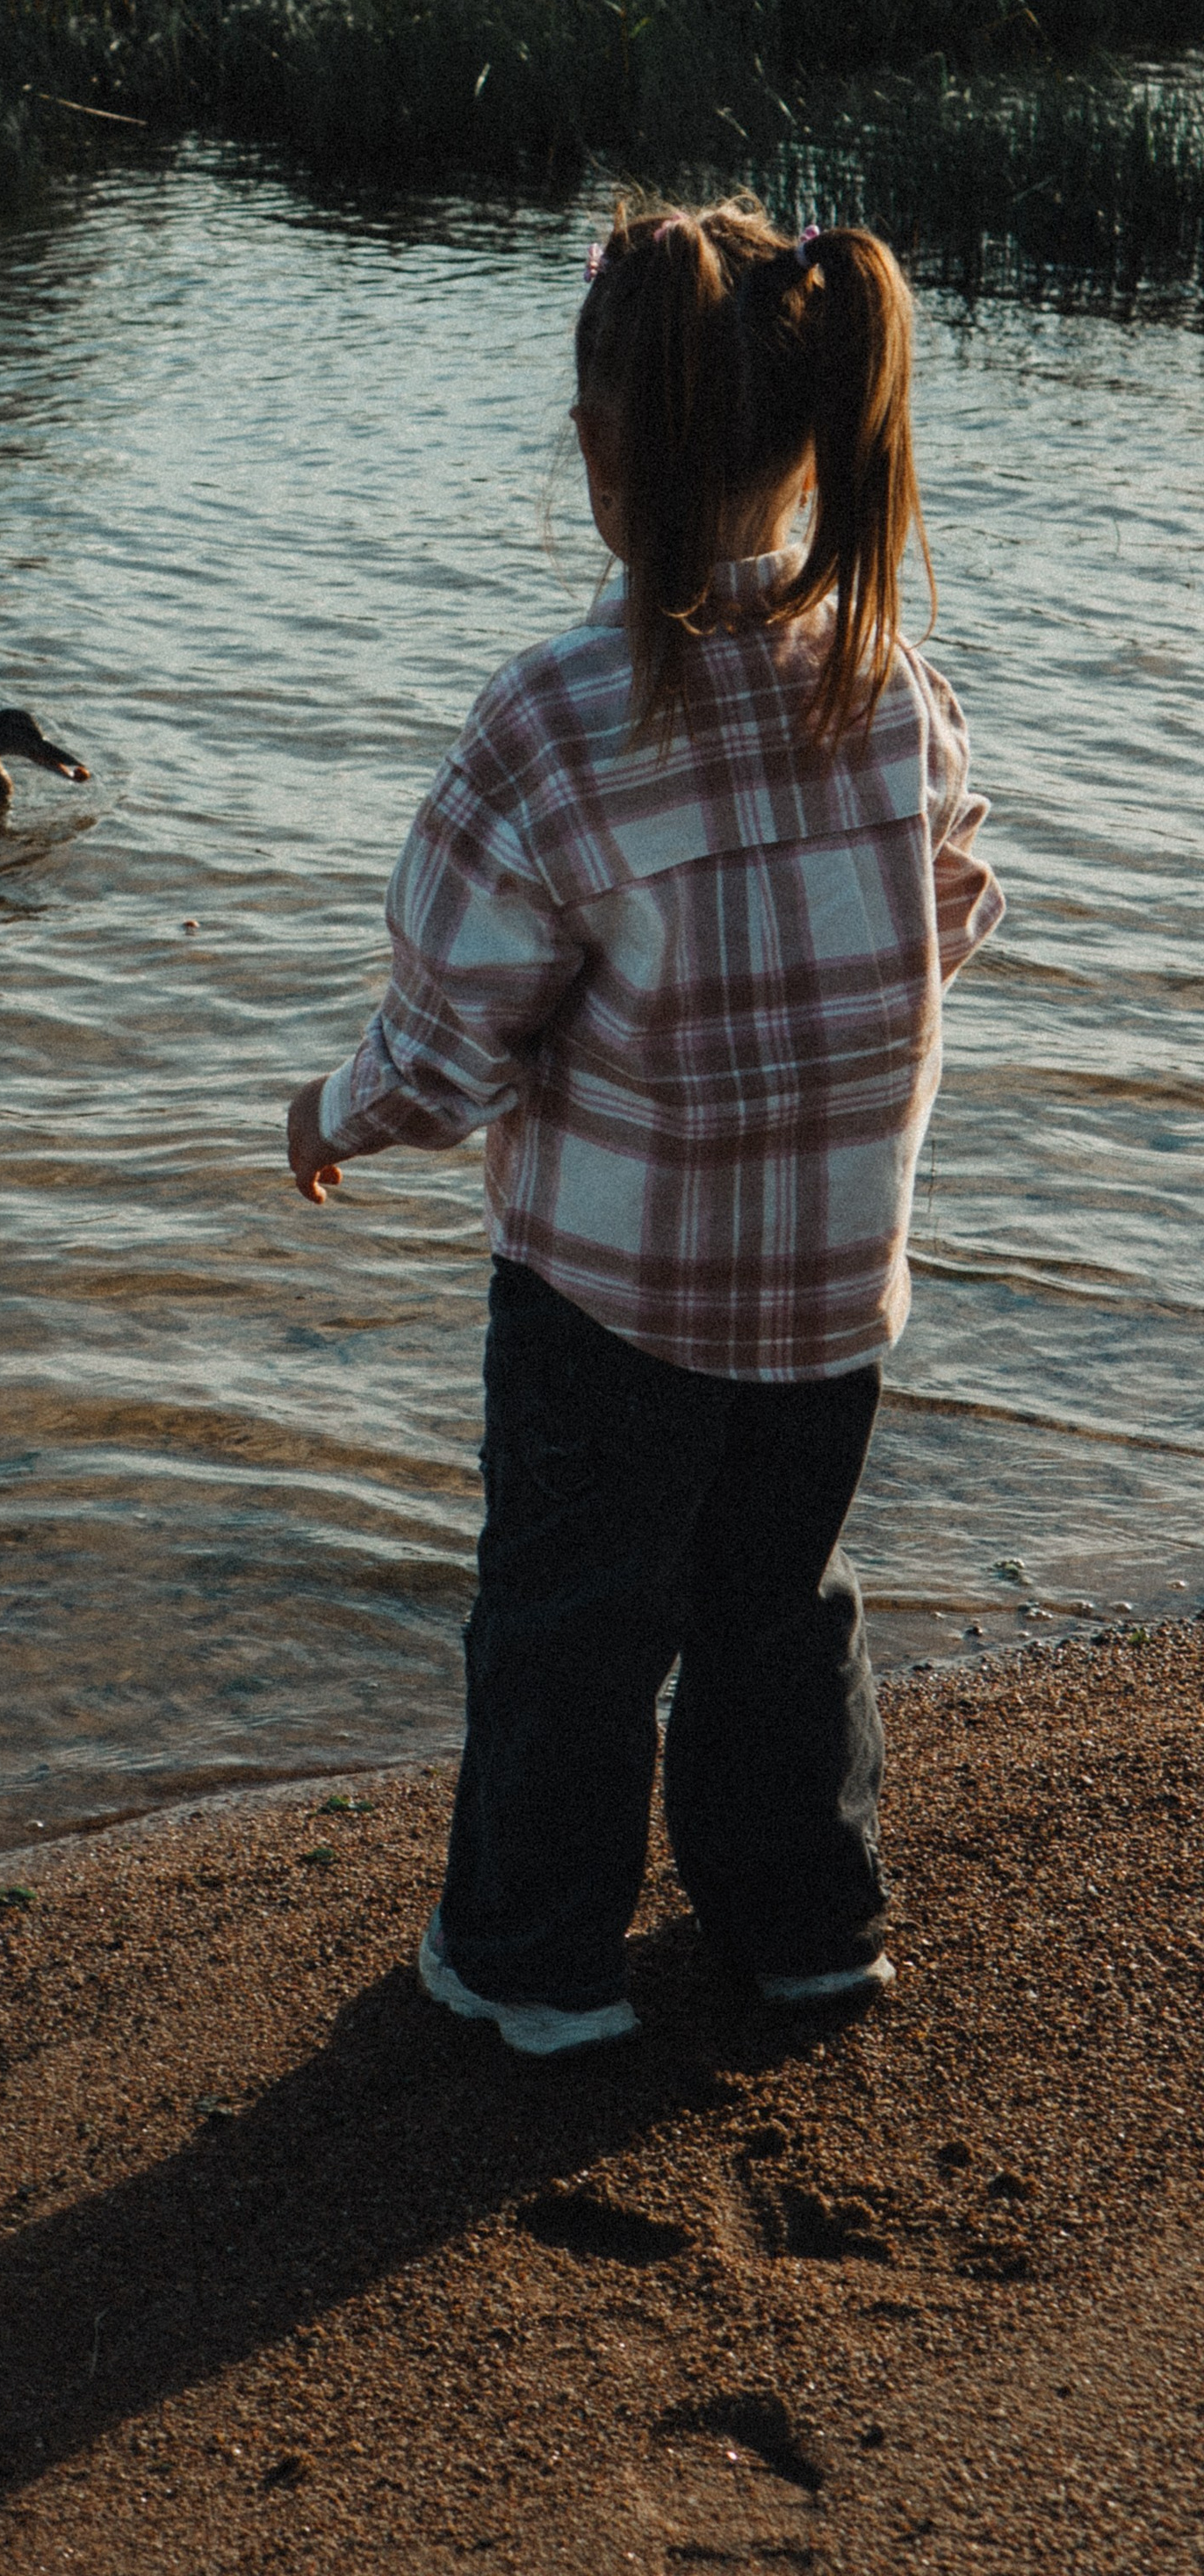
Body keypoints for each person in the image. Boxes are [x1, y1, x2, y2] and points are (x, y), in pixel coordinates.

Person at [286, 196, 1003, 2060]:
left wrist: (332, 1114)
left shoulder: (547, 723)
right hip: (837, 1296)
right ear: (798, 447)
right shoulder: (884, 677)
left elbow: (449, 1045)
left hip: (610, 1308)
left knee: (568, 1626)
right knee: (779, 1609)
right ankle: (802, 1931)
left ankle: (534, 1964)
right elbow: (962, 905)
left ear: (601, 453)